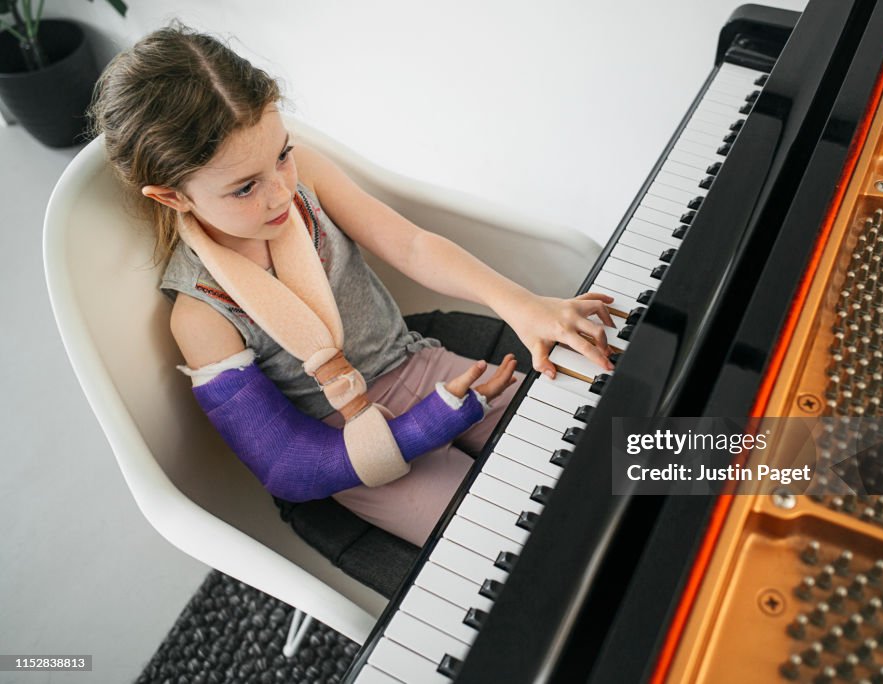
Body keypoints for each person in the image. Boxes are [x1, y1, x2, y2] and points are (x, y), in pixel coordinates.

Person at [87, 24, 615, 547]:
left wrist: (520, 305)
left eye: (282, 155)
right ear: (171, 197)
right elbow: (286, 465)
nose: (279, 193)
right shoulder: (201, 316)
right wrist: (424, 427)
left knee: (605, 455)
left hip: (418, 364)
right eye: (245, 187)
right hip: (352, 450)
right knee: (531, 542)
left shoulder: (305, 178)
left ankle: (701, 498)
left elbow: (410, 246)